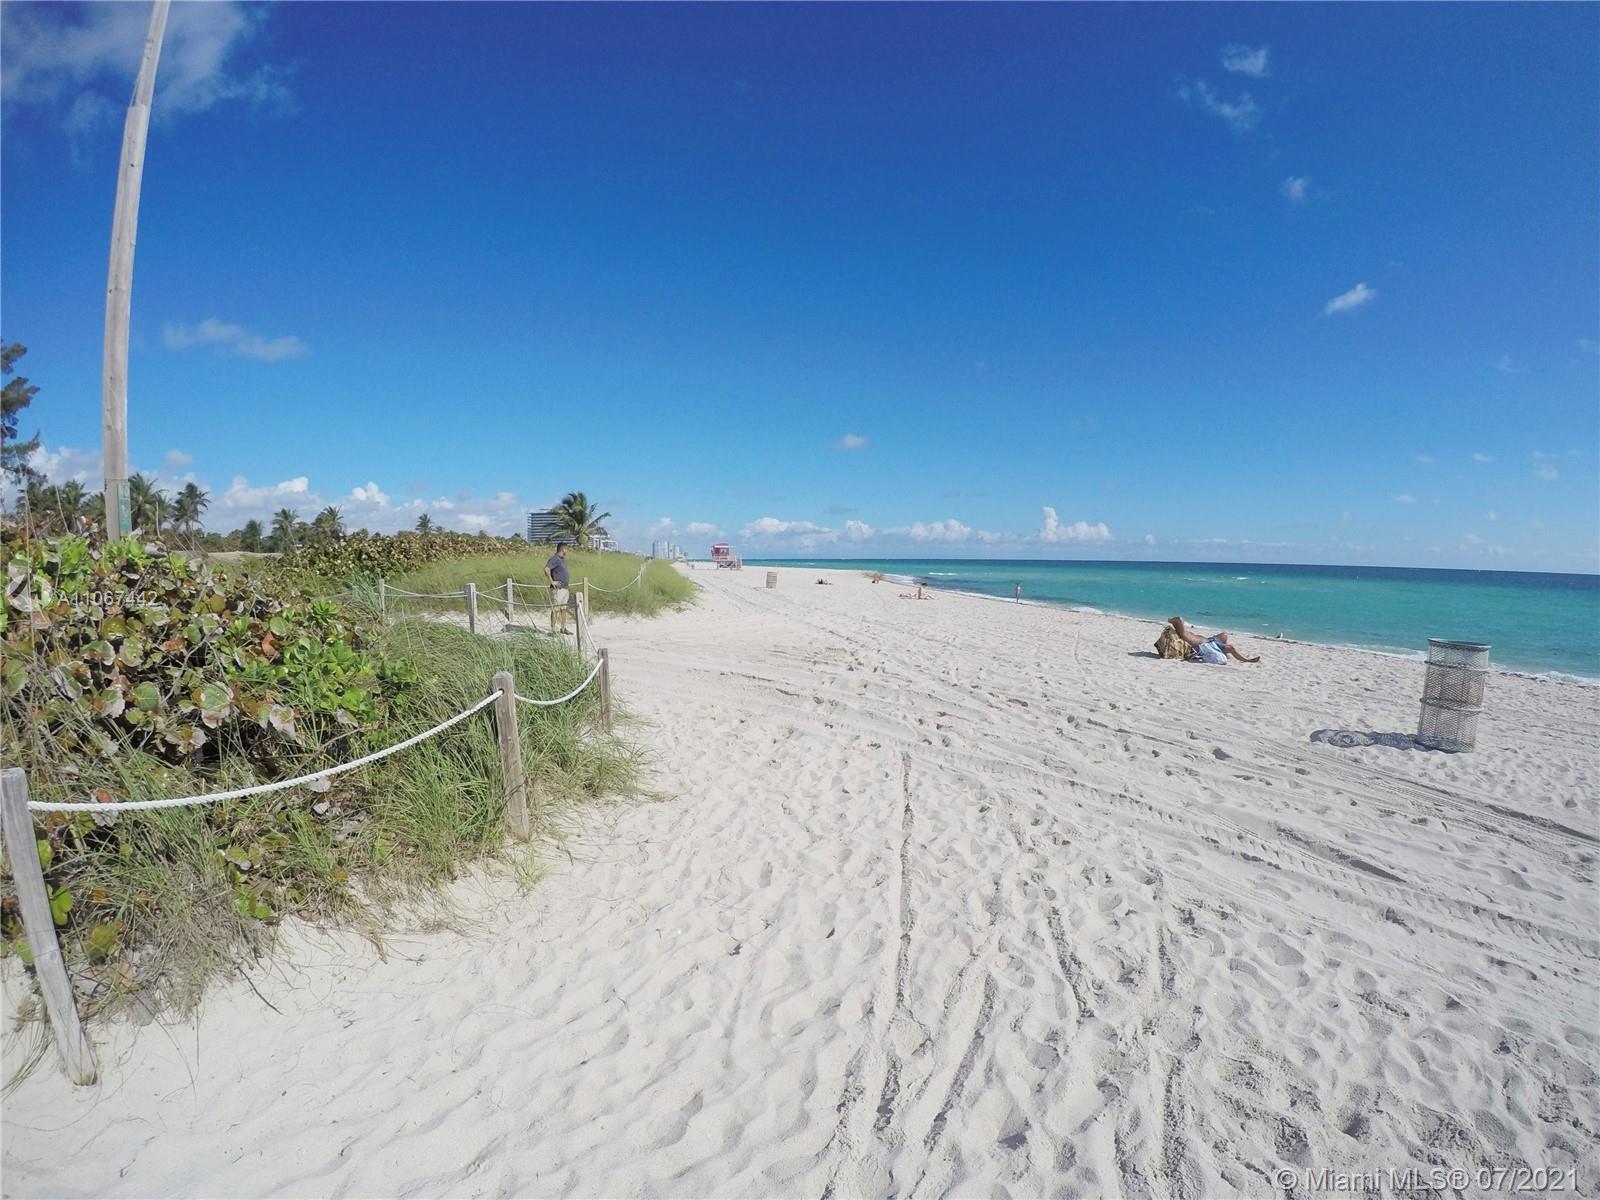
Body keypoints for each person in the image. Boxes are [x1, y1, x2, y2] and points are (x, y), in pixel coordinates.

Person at [1168, 616, 1260, 664]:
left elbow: (1180, 626)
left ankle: (1226, 653)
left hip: (1210, 642)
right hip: (1206, 645)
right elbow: (1180, 624)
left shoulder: (1185, 634)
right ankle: (1247, 660)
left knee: (1224, 635)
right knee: (1231, 647)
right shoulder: (1186, 636)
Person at [544, 541, 572, 635]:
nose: (567, 551)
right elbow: (546, 569)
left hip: (564, 588)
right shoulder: (555, 559)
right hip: (557, 590)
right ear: (563, 549)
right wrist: (552, 581)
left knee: (563, 608)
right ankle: (553, 630)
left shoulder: (562, 559)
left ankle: (563, 628)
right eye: (566, 549)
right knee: (555, 609)